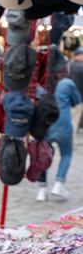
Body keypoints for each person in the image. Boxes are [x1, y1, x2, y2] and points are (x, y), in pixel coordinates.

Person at [37, 46, 81, 201]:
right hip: (63, 124)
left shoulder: (41, 85)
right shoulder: (67, 84)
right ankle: (59, 184)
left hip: (46, 126)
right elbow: (77, 101)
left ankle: (42, 189)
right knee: (67, 154)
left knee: (43, 155)